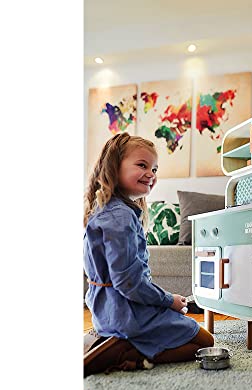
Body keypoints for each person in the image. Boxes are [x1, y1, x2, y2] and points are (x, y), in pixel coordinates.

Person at [83, 133, 214, 376]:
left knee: (189, 330)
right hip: (127, 314)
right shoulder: (121, 217)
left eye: (154, 168)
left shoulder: (105, 210)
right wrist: (168, 301)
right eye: (142, 165)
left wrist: (166, 299)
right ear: (114, 167)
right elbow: (128, 283)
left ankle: (126, 343)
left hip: (106, 312)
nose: (151, 174)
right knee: (205, 342)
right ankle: (128, 352)